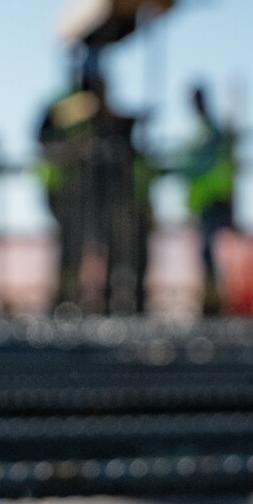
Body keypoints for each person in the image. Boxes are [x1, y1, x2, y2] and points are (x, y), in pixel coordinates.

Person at [35, 55, 148, 315]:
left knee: (90, 246)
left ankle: (83, 302)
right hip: (68, 188)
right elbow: (51, 143)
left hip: (85, 190)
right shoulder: (73, 107)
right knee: (73, 248)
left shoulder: (79, 107)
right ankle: (65, 303)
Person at [174, 82, 238, 316]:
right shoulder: (203, 132)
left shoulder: (212, 132)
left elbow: (199, 165)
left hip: (213, 200)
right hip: (203, 202)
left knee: (208, 253)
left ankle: (213, 304)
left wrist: (176, 169)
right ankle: (211, 301)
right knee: (206, 254)